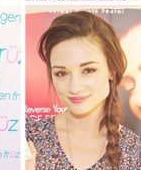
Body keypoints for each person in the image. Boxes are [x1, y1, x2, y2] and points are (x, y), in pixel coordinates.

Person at [26, 11, 141, 170]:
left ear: (111, 70)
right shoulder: (29, 138)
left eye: (88, 70)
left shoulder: (134, 151)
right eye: (61, 73)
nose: (74, 87)